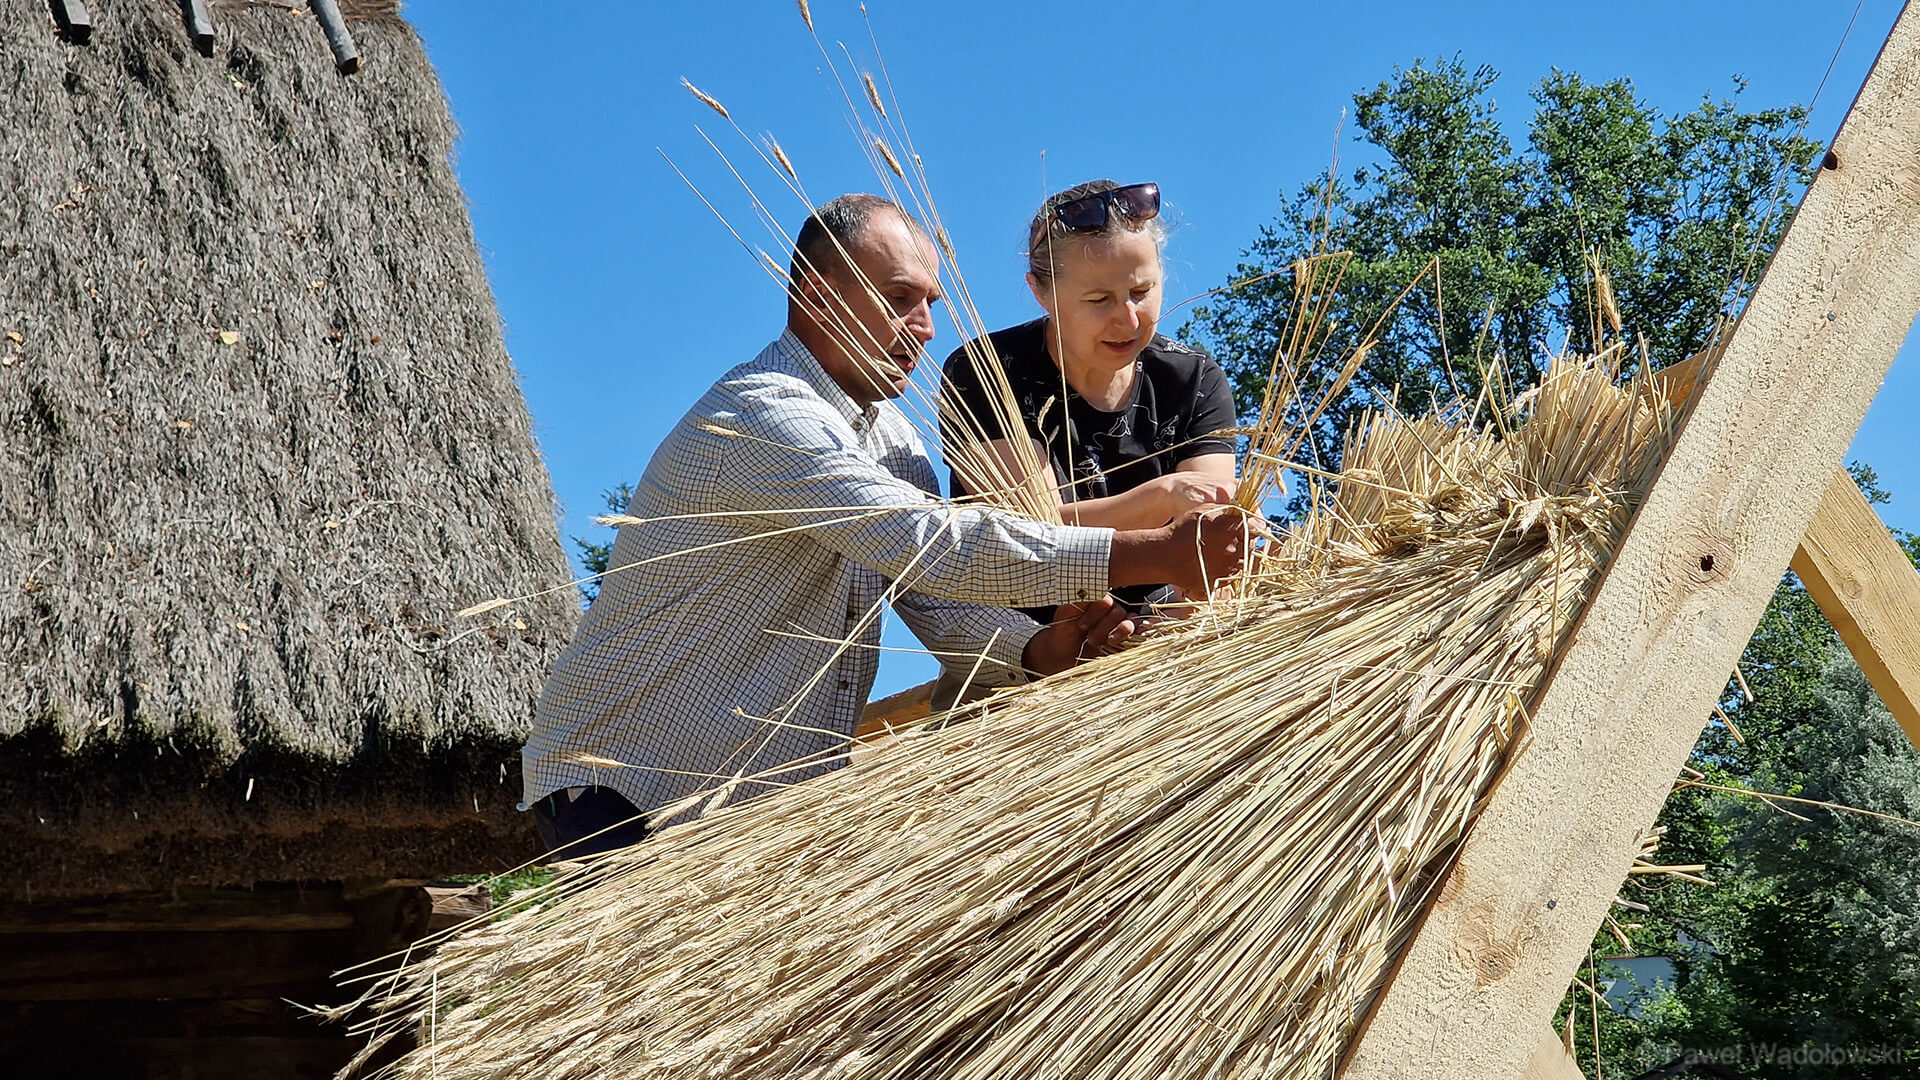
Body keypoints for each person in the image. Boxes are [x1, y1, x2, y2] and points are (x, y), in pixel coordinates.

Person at [521, 193, 1256, 859]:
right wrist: (1155, 552)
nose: (925, 329)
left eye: (930, 302)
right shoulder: (764, 414)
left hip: (752, 799)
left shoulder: (891, 441)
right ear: (818, 293)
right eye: (899, 298)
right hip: (627, 780)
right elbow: (931, 546)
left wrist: (1039, 650)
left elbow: (934, 599)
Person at [942, 179, 1240, 625]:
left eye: (1142, 291)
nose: (1129, 317)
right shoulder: (987, 370)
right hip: (1019, 651)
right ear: (1041, 292)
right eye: (1100, 300)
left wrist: (1173, 634)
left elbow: (1211, 541)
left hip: (1167, 640)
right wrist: (1162, 498)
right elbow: (1031, 535)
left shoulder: (1193, 376)